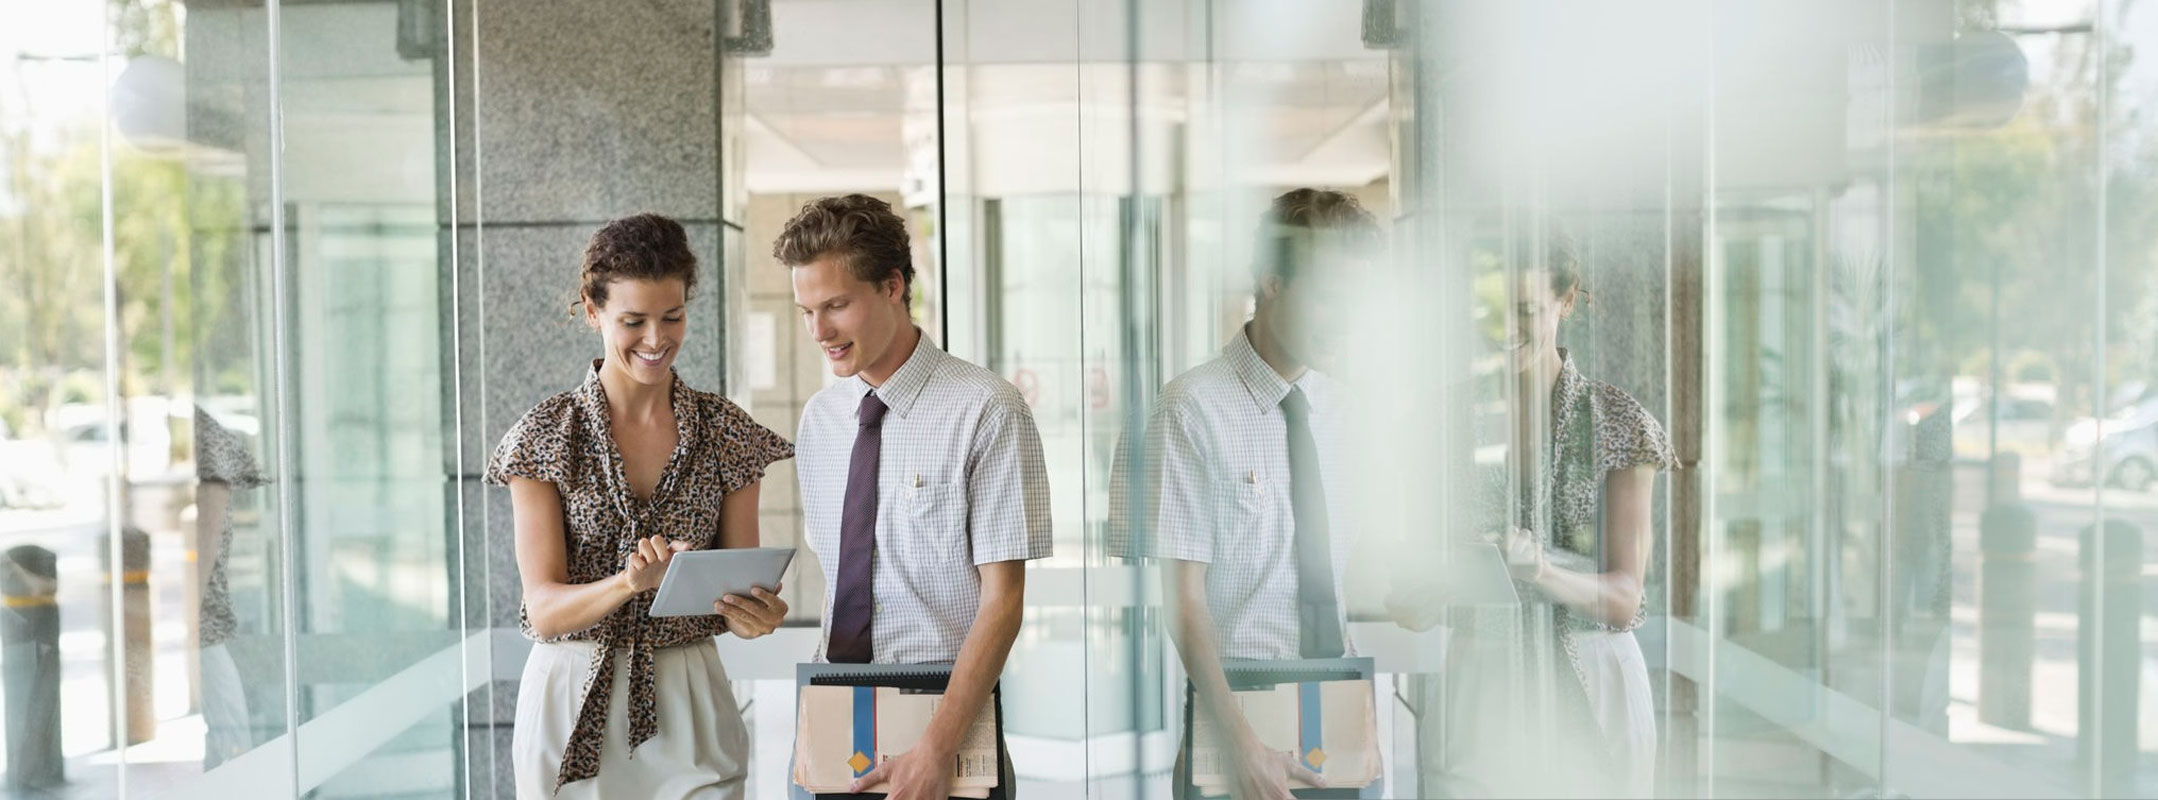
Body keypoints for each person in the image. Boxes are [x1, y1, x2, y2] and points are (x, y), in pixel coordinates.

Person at [489, 213, 795, 798]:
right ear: (592, 310)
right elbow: (544, 609)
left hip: (690, 693)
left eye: (672, 317)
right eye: (633, 321)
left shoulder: (727, 432)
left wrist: (756, 616)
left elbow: (739, 587)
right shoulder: (546, 435)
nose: (656, 340)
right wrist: (628, 584)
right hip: (571, 698)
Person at [777, 194, 1051, 799]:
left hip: (943, 727)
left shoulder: (986, 410)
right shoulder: (822, 419)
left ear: (893, 285)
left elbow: (1003, 603)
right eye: (806, 311)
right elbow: (843, 583)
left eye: (836, 306)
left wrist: (936, 747)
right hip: (830, 719)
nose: (819, 331)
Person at [1119, 188, 1380, 800]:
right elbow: (1183, 600)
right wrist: (1241, 746)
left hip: (1337, 710)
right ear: (1272, 282)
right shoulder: (1191, 408)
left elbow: (1349, 575)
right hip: (1237, 716)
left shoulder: (1349, 413)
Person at [1397, 231, 1674, 799]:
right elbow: (1407, 596)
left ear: (1567, 299)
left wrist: (1539, 572)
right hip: (1481, 679)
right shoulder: (1439, 421)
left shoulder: (1620, 422)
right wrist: (1428, 590)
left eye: (1524, 310)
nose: (1503, 329)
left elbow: (1625, 599)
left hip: (1594, 681)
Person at [192, 405, 265, 769]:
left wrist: (192, 601)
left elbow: (211, 513)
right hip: (204, 599)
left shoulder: (204, 435)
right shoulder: (204, 431)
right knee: (223, 722)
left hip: (205, 602)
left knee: (226, 720)